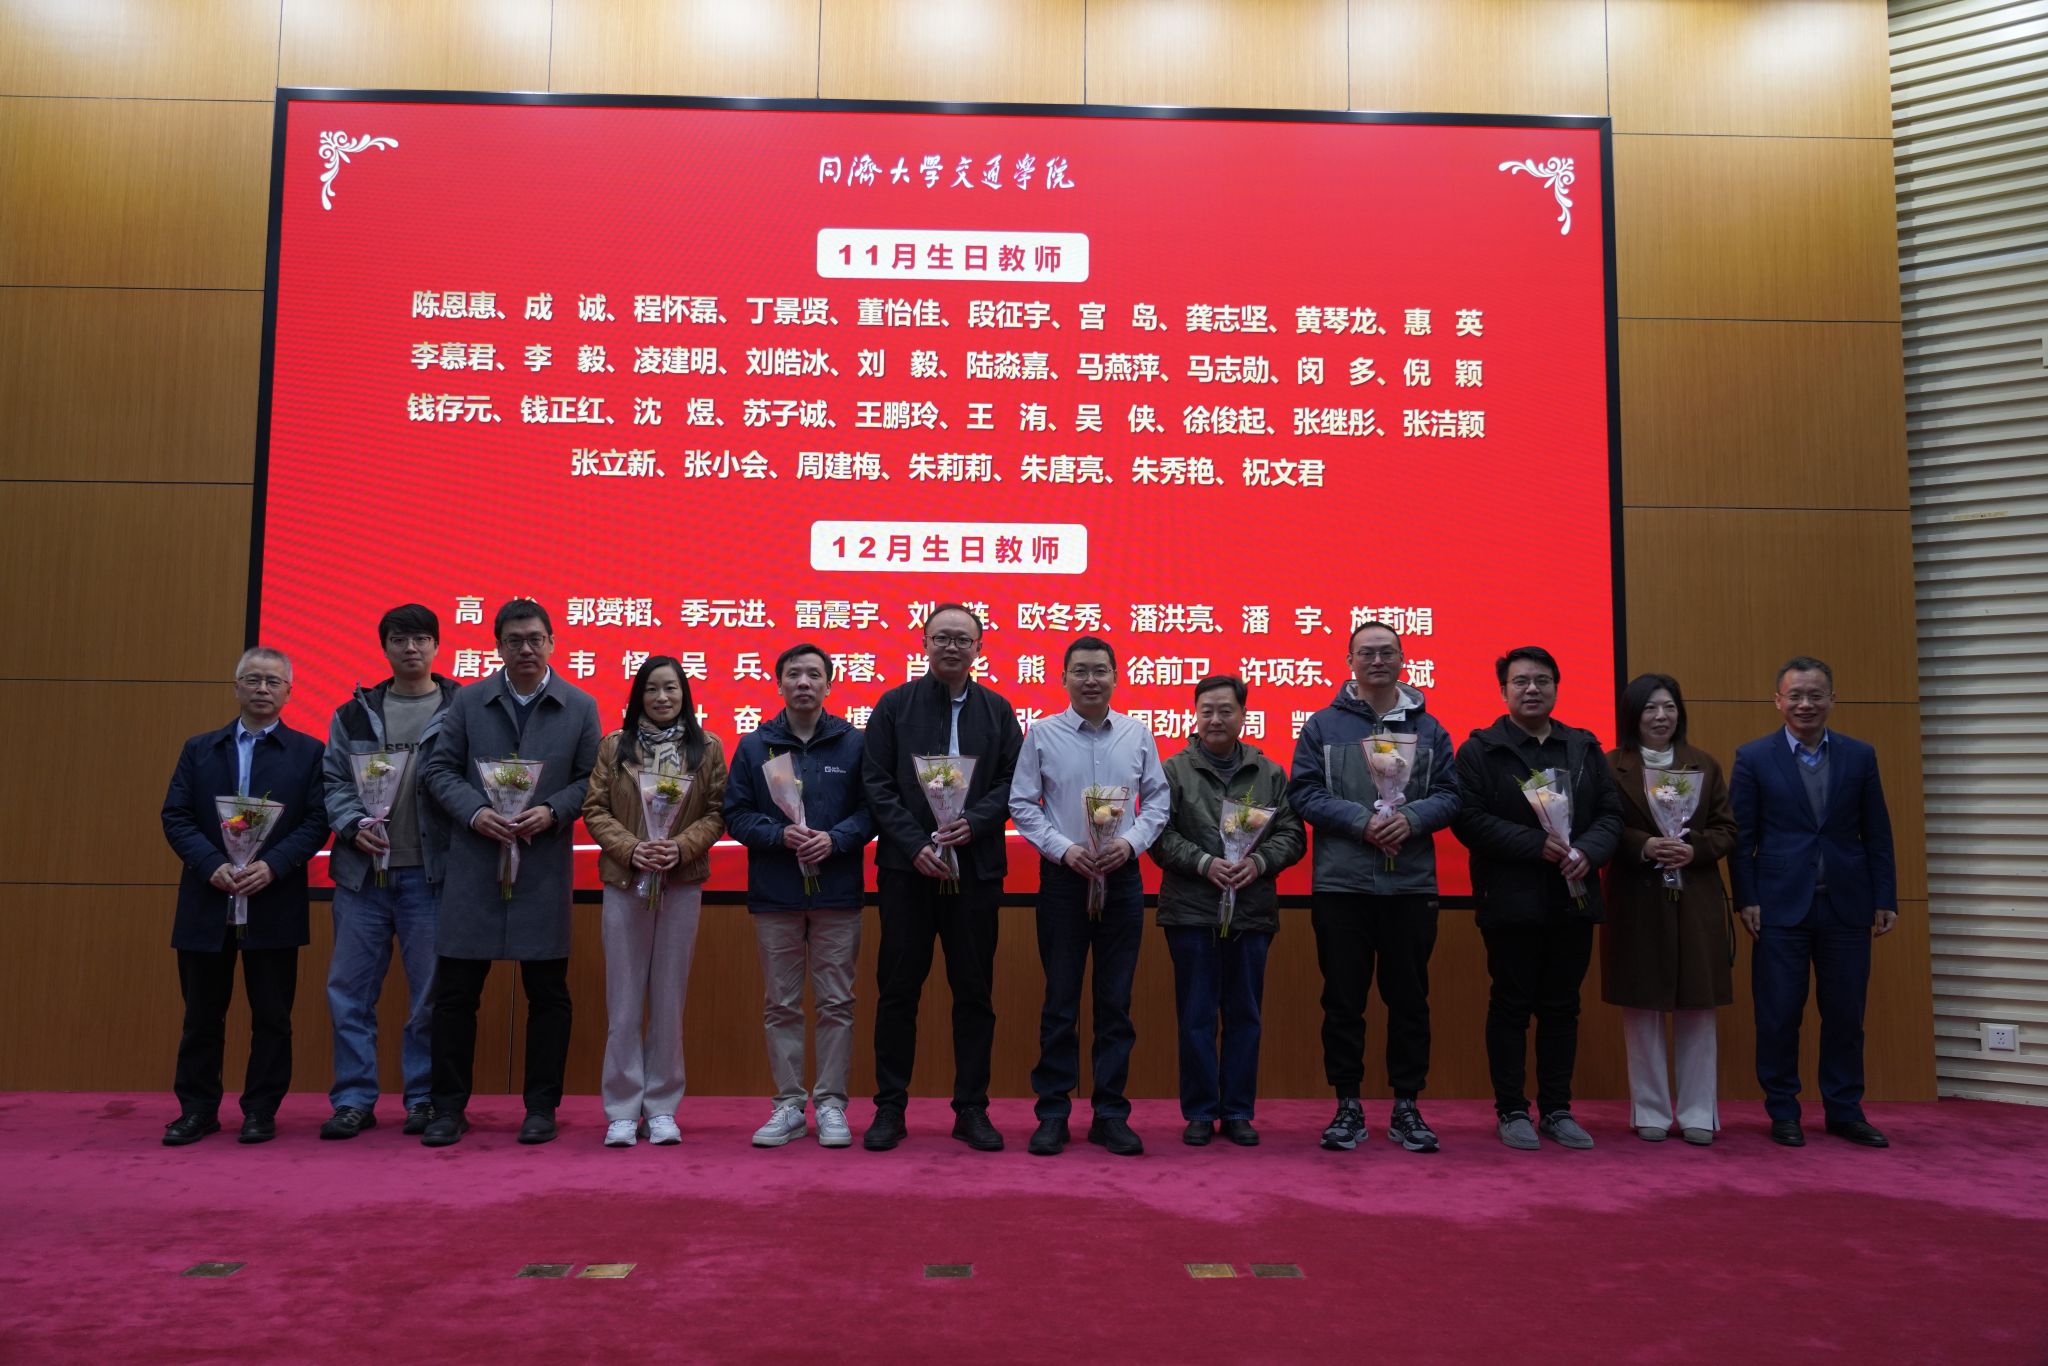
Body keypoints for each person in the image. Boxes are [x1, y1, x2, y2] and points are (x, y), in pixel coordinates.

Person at [420, 599, 600, 1147]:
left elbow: (593, 779)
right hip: (475, 865)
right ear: (497, 646)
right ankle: (448, 1108)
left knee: (548, 995)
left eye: (535, 639)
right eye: (514, 640)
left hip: (541, 866)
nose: (526, 649)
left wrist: (553, 811)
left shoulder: (580, 705)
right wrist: (476, 812)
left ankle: (541, 1108)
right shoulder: (469, 701)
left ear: (552, 643)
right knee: (455, 996)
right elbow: (437, 769)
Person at [1287, 620, 1460, 1154]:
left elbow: (1452, 794)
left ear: (1403, 659)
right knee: (1343, 1000)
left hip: (1410, 886)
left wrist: (1411, 820)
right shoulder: (1322, 726)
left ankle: (1407, 1105)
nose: (1377, 661)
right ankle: (1347, 1105)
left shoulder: (1430, 728)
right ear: (1350, 662)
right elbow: (1304, 793)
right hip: (1342, 886)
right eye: (1367, 653)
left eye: (1387, 652)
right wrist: (1363, 822)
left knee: (1410, 1001)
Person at [860, 603, 1022, 1152]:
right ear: (924, 642)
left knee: (974, 992)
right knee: (897, 991)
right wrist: (914, 844)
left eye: (962, 639)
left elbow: (1012, 782)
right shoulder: (895, 705)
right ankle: (890, 1108)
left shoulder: (998, 710)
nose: (952, 647)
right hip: (908, 872)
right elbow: (876, 782)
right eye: (942, 637)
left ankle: (971, 1109)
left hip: (976, 870)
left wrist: (974, 823)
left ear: (979, 648)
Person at [1452, 645, 1623, 1151]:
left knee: (1562, 1007)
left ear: (1556, 687)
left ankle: (1556, 1109)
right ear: (1503, 691)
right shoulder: (1481, 750)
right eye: (1521, 681)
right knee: (1510, 1005)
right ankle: (1511, 1110)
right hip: (1511, 900)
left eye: (1542, 680)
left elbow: (1610, 814)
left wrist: (1588, 852)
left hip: (1574, 896)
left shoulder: (1584, 747)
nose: (1532, 689)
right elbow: (1468, 819)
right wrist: (1534, 844)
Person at [158, 647, 329, 1146]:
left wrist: (272, 865)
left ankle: (260, 1110)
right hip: (206, 898)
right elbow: (176, 816)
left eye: (273, 682)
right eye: (252, 679)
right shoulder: (200, 749)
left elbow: (317, 820)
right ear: (235, 687)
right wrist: (210, 864)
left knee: (272, 1017)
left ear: (288, 693)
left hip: (273, 899)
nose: (261, 689)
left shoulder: (308, 752)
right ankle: (197, 1111)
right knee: (201, 1016)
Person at [1010, 634, 1169, 1157]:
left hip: (1122, 878)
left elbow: (1157, 803)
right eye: (1080, 670)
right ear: (1063, 678)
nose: (1091, 679)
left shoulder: (1138, 734)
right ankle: (1053, 1113)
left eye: (1100, 670)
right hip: (1064, 879)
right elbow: (1023, 803)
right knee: (1060, 1002)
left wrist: (1129, 843)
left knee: (1115, 1002)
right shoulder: (1041, 734)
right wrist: (1064, 850)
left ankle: (1110, 1114)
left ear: (1116, 677)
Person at [1730, 656, 1898, 1149]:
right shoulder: (1753, 757)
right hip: (1778, 907)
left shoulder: (1859, 755)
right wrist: (1746, 898)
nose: (1806, 704)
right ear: (1778, 701)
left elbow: (1878, 832)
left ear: (1832, 700)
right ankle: (1783, 1111)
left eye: (1815, 695)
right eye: (1796, 695)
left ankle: (1845, 1111)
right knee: (1779, 1014)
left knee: (1846, 1015)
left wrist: (1885, 896)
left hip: (1847, 905)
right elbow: (1741, 839)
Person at [318, 604, 460, 1140]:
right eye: (400, 639)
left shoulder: (462, 709)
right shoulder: (353, 714)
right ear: (385, 647)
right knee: (349, 995)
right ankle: (353, 1100)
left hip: (431, 876)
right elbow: (333, 781)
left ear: (437, 646)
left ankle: (422, 1099)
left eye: (421, 638)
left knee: (429, 998)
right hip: (362, 877)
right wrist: (352, 824)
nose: (411, 648)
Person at [725, 643, 874, 1149]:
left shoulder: (854, 744)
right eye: (794, 674)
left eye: (814, 674)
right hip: (777, 893)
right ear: (780, 684)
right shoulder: (755, 746)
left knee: (837, 1002)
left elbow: (872, 811)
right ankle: (788, 1104)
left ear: (829, 684)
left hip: (837, 893)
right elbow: (735, 814)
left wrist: (836, 839)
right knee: (781, 1003)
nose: (804, 682)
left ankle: (830, 1103)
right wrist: (779, 834)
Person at [1150, 674, 1306, 1147]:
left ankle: (1238, 1110)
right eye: (1207, 711)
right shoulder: (1172, 770)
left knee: (1245, 1015)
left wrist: (1258, 862)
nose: (1215, 719)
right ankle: (1200, 1111)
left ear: (1243, 715)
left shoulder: (1269, 773)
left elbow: (1293, 834)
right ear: (1195, 715)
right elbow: (1157, 833)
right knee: (1196, 1015)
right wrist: (1204, 863)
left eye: (1225, 710)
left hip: (1251, 910)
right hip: (1191, 910)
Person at [581, 655, 725, 1148]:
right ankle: (622, 1109)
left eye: (671, 688)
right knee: (623, 1002)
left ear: (685, 694)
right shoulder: (614, 746)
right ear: (638, 696)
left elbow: (716, 812)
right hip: (625, 882)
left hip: (681, 883)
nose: (662, 697)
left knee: (668, 1001)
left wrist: (679, 847)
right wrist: (632, 848)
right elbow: (595, 809)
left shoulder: (707, 747)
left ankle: (662, 1107)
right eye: (652, 689)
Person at [1600, 672, 1737, 1146]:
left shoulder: (1704, 764)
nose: (1661, 717)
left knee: (1699, 1007)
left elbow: (1727, 829)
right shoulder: (1610, 765)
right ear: (1632, 715)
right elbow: (1602, 825)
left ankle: (1699, 1111)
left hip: (1695, 899)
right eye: (1650, 708)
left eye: (1670, 707)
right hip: (1637, 899)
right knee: (1642, 1009)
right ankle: (1651, 1110)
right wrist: (1644, 844)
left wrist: (1693, 848)